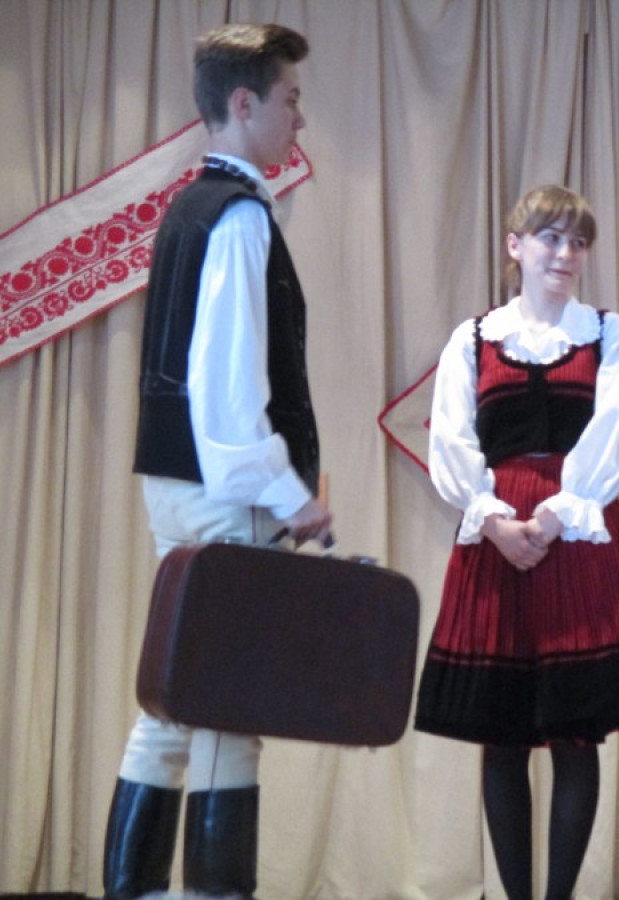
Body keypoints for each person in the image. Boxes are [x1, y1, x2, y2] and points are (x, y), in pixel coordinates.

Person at [102, 23, 331, 899]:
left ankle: (134, 892)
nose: (299, 119)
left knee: (175, 706)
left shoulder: (189, 209)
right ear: (244, 102)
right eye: (290, 99)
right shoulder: (235, 217)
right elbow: (228, 391)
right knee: (228, 713)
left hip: (177, 485)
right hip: (222, 492)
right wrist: (288, 493)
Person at [414, 184, 619, 900]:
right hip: (496, 535)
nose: (565, 253)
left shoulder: (608, 334)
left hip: (576, 534)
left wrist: (552, 518)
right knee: (503, 733)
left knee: (576, 736)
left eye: (577, 241)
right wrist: (492, 520)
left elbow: (613, 433)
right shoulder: (474, 338)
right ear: (516, 246)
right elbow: (450, 437)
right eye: (551, 237)